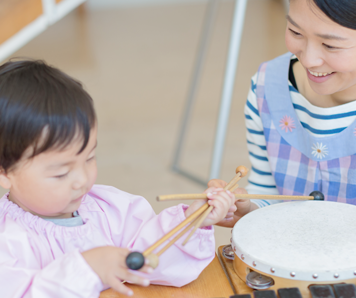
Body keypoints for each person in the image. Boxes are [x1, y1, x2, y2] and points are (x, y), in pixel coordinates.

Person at [210, 0, 356, 266]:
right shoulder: (266, 88)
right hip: (301, 273)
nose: (309, 58)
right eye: (295, 32)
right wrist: (245, 207)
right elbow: (267, 192)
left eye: (330, 45)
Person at [0, 60, 236, 298]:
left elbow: (151, 259)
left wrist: (191, 222)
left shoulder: (108, 209)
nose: (82, 180)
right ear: (4, 172)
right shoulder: (8, 241)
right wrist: (87, 268)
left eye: (90, 158)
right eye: (61, 173)